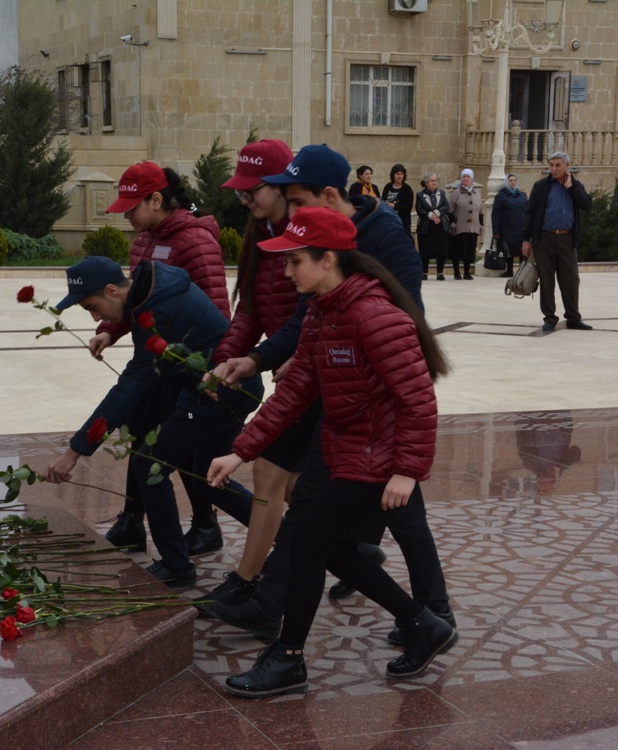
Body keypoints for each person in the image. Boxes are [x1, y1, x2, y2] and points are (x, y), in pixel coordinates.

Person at [207, 144, 452, 646]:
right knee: (324, 526)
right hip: (342, 404)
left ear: (328, 196)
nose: (290, 215)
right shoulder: (321, 294)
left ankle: (427, 616)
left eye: (298, 204)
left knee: (368, 520)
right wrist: (261, 363)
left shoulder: (382, 247)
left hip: (375, 411)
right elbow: (303, 330)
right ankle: (418, 617)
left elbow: (407, 341)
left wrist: (407, 464)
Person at [44, 256, 264, 587]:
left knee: (150, 467)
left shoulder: (158, 311)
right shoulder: (153, 292)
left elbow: (131, 386)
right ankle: (286, 534)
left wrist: (75, 451)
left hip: (222, 393)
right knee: (209, 476)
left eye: (93, 306)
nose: (95, 317)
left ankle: (177, 566)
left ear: (111, 291)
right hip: (219, 389)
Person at [198, 138, 317, 608]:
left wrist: (268, 357)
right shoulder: (258, 231)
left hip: (304, 368)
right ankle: (348, 547)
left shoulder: (304, 232)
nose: (244, 200)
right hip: (280, 364)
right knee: (293, 480)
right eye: (240, 193)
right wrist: (227, 357)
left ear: (281, 186)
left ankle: (248, 582)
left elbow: (308, 312)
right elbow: (249, 307)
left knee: (269, 470)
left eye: (253, 191)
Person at [92, 161, 232, 555]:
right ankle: (132, 521)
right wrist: (109, 329)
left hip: (188, 366)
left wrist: (214, 372)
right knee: (140, 436)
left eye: (131, 207)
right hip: (152, 360)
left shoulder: (196, 242)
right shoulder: (143, 240)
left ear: (157, 200)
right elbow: (136, 302)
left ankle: (206, 526)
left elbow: (218, 313)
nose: (126, 216)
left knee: (174, 448)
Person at [521, 151, 594, 332]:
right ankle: (549, 318)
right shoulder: (541, 186)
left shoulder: (575, 185)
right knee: (547, 280)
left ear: (567, 166)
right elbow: (530, 213)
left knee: (571, 280)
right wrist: (526, 240)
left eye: (557, 165)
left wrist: (571, 188)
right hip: (544, 238)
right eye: (551, 165)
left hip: (567, 239)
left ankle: (573, 318)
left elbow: (587, 205)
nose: (553, 169)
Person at [448, 168, 483, 280]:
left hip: (473, 227)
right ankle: (457, 272)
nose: (466, 179)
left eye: (468, 177)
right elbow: (450, 210)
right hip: (459, 226)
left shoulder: (476, 193)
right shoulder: (456, 193)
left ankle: (467, 272)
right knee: (458, 250)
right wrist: (453, 223)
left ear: (472, 179)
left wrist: (481, 225)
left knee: (469, 250)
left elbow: (481, 211)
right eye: (464, 176)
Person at [415, 172, 450, 280]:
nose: (434, 182)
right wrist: (431, 216)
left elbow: (446, 206)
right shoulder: (420, 195)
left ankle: (440, 272)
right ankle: (424, 272)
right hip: (426, 226)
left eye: (435, 180)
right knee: (425, 250)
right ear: (426, 183)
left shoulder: (442, 193)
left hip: (440, 225)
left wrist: (438, 214)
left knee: (441, 249)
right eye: (432, 181)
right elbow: (419, 209)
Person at [492, 173, 527, 278]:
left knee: (522, 250)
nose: (512, 182)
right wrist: (496, 230)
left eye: (514, 180)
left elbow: (528, 210)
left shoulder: (522, 195)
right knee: (508, 251)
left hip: (521, 228)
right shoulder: (501, 196)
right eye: (510, 180)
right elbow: (496, 213)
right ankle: (509, 270)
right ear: (507, 182)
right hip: (507, 228)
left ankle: (522, 271)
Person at [380, 163, 415, 234]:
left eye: (401, 174)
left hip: (402, 222)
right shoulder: (387, 186)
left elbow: (408, 207)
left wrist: (394, 206)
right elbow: (383, 201)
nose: (400, 176)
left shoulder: (407, 189)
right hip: (388, 220)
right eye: (397, 174)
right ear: (393, 175)